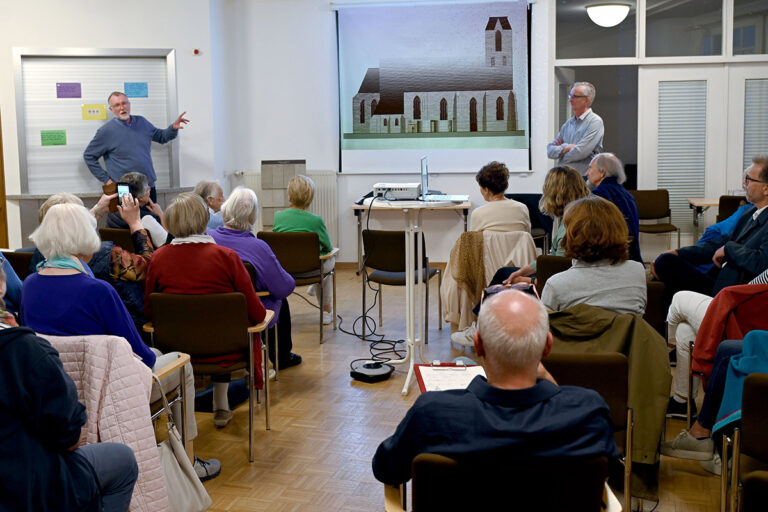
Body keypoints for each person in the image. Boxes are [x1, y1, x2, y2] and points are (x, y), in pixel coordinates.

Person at [21, 201, 221, 481]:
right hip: (108, 392)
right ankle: (188, 461)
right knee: (180, 363)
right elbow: (143, 357)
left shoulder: (29, 285)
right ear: (85, 239)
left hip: (55, 394)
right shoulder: (97, 291)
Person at [372, 289, 618, 486]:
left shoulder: (432, 413)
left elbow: (386, 469)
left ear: (478, 345)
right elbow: (610, 473)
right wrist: (548, 381)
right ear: (547, 346)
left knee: (461, 364)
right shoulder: (588, 412)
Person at [145, 192, 267, 429]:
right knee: (219, 327)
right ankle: (221, 404)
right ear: (204, 221)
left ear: (170, 222)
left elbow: (149, 311)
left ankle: (182, 414)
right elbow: (258, 314)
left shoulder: (158, 259)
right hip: (226, 350)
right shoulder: (227, 257)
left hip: (175, 351)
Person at [0, 325, 138, 511]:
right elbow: (70, 438)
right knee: (124, 460)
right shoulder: (23, 348)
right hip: (28, 488)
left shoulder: (29, 299)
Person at [450, 165, 590, 347]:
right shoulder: (567, 216)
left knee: (504, 277)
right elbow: (553, 258)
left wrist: (529, 281)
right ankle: (480, 327)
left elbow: (560, 270)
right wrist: (526, 269)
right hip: (554, 274)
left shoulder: (569, 225)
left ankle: (480, 329)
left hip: (556, 280)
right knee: (504, 273)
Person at [29, 192, 155, 339]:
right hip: (120, 335)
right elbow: (148, 268)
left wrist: (96, 210)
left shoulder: (38, 262)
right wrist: (136, 223)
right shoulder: (111, 258)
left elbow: (66, 231)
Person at [209, 186, 302, 369]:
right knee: (279, 298)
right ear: (252, 216)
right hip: (248, 314)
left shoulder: (208, 238)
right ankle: (281, 357)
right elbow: (284, 287)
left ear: (226, 209)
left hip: (212, 310)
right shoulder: (258, 247)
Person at [652, 155, 768, 297]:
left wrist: (728, 249)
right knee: (667, 261)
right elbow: (718, 243)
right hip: (719, 281)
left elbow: (761, 263)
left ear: (766, 189)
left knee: (666, 264)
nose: (744, 183)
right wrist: (679, 252)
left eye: (749, 179)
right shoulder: (750, 213)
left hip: (731, 293)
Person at [665, 267, 768, 419]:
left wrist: (729, 249)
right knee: (685, 331)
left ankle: (664, 352)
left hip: (741, 319)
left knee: (679, 299)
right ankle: (682, 401)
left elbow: (753, 281)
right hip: (740, 307)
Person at [541, 196, 647, 315]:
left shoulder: (556, 285)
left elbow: (543, 330)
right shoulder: (637, 271)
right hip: (627, 333)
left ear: (572, 234)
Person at [83, 91, 189, 202]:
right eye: (117, 105)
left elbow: (161, 137)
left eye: (124, 103)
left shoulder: (141, 122)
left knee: (150, 217)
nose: (122, 107)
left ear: (129, 104)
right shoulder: (105, 132)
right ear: (111, 109)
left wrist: (173, 128)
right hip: (123, 188)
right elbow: (89, 156)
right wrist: (106, 180)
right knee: (125, 218)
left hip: (147, 185)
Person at [273, 175, 335, 324]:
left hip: (285, 269)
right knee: (328, 261)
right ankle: (326, 311)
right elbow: (328, 247)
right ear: (310, 198)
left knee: (318, 262)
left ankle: (316, 285)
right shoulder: (316, 221)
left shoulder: (278, 217)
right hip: (312, 270)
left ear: (289, 197)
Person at [586, 153, 642, 262]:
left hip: (610, 258)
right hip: (631, 255)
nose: (587, 173)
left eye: (590, 168)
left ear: (602, 172)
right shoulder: (626, 194)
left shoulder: (598, 194)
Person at [546, 82, 604, 175]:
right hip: (564, 177)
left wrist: (560, 154)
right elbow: (550, 151)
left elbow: (581, 152)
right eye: (570, 96)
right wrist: (566, 147)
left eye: (575, 96)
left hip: (582, 178)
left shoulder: (595, 122)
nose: (570, 100)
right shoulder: (568, 123)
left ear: (587, 100)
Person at [107, 172, 171, 247]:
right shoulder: (148, 219)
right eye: (147, 189)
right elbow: (169, 247)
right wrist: (160, 214)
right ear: (141, 197)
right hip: (145, 257)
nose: (150, 189)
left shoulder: (111, 215)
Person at [469, 161, 530, 232]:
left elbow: (474, 241)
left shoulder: (478, 213)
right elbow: (526, 238)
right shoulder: (522, 208)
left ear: (486, 189)